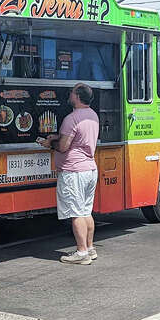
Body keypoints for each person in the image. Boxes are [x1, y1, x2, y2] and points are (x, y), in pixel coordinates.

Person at [38, 83, 100, 265]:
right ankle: (90, 248)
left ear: (77, 97)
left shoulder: (71, 118)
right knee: (86, 211)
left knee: (76, 213)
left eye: (72, 92)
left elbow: (64, 147)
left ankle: (81, 253)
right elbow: (78, 139)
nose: (70, 95)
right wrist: (57, 137)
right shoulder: (92, 115)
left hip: (74, 172)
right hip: (90, 169)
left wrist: (50, 144)